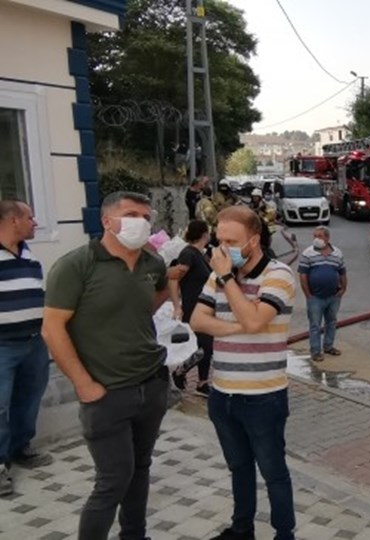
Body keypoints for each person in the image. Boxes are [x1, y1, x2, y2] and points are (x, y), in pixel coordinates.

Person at [41, 191, 170, 539]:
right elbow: (52, 329)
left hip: (152, 384)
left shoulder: (151, 264)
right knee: (113, 480)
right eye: (131, 214)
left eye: (146, 216)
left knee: (140, 468)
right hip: (106, 394)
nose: (141, 223)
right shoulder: (75, 266)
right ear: (107, 221)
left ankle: (134, 534)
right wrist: (83, 384)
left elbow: (155, 299)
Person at [190, 206, 297, 540]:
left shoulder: (278, 275)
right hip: (223, 393)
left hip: (263, 396)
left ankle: (284, 533)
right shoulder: (219, 272)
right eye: (219, 240)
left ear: (253, 239)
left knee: (273, 471)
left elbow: (255, 321)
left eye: (231, 242)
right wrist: (241, 325)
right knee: (239, 467)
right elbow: (197, 321)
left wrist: (225, 281)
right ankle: (242, 529)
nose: (222, 250)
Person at [0, 201, 52, 497]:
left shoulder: (29, 256)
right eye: (30, 217)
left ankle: (20, 447)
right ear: (12, 220)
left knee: (29, 397)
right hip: (2, 345)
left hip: (33, 341)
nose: (35, 222)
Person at [170, 220, 214, 396]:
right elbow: (173, 278)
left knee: (206, 346)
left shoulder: (200, 254)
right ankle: (180, 371)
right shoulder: (188, 254)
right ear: (204, 234)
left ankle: (202, 382)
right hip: (194, 308)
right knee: (205, 347)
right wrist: (176, 306)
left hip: (206, 308)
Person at [298, 226, 347, 362]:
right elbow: (303, 275)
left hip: (333, 296)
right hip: (315, 298)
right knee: (315, 324)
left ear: (327, 238)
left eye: (319, 236)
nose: (316, 239)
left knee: (331, 322)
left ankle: (328, 346)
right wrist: (308, 294)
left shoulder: (337, 253)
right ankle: (315, 351)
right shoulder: (307, 254)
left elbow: (342, 272)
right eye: (315, 236)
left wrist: (343, 289)